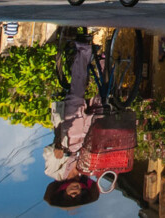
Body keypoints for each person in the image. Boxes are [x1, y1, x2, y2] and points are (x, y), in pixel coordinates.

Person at [43, 32, 100, 208]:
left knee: (77, 90)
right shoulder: (88, 172)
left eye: (71, 196)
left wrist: (57, 149)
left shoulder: (53, 172)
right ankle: (105, 60)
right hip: (89, 133)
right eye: (78, 195)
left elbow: (48, 152)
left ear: (62, 191)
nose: (75, 194)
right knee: (104, 101)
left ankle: (83, 49)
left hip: (70, 132)